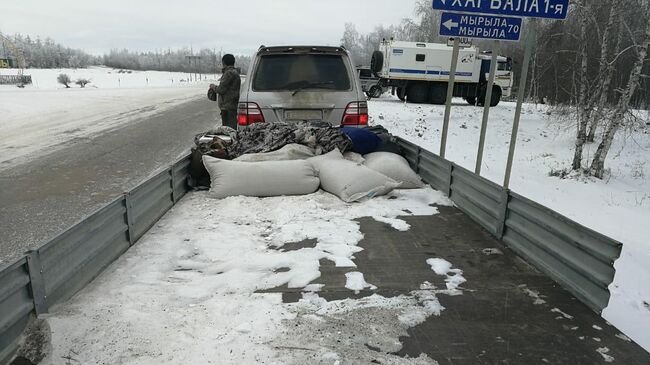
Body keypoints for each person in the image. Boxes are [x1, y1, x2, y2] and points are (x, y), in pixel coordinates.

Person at [214, 54, 241, 129]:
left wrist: (213, 87)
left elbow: (221, 89)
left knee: (228, 130)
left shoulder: (228, 73)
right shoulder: (235, 72)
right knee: (232, 129)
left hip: (227, 108)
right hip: (232, 106)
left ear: (224, 63)